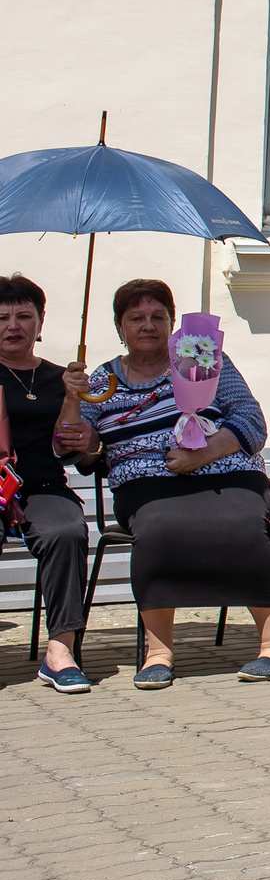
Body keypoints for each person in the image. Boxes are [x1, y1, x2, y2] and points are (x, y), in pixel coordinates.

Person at [59, 280, 270, 686]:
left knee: (243, 525)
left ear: (171, 323)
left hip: (226, 472)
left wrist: (202, 454)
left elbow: (251, 421)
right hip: (146, 483)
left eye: (158, 317)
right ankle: (159, 652)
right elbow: (79, 449)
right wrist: (73, 401)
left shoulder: (200, 357)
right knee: (158, 528)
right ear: (120, 327)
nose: (148, 325)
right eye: (136, 318)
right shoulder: (101, 380)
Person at [2, 274, 92, 692]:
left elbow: (76, 452)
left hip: (40, 489)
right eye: (1, 317)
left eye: (24, 315)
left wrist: (77, 407)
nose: (13, 326)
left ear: (41, 321)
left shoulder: (63, 379)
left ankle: (60, 651)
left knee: (66, 529)